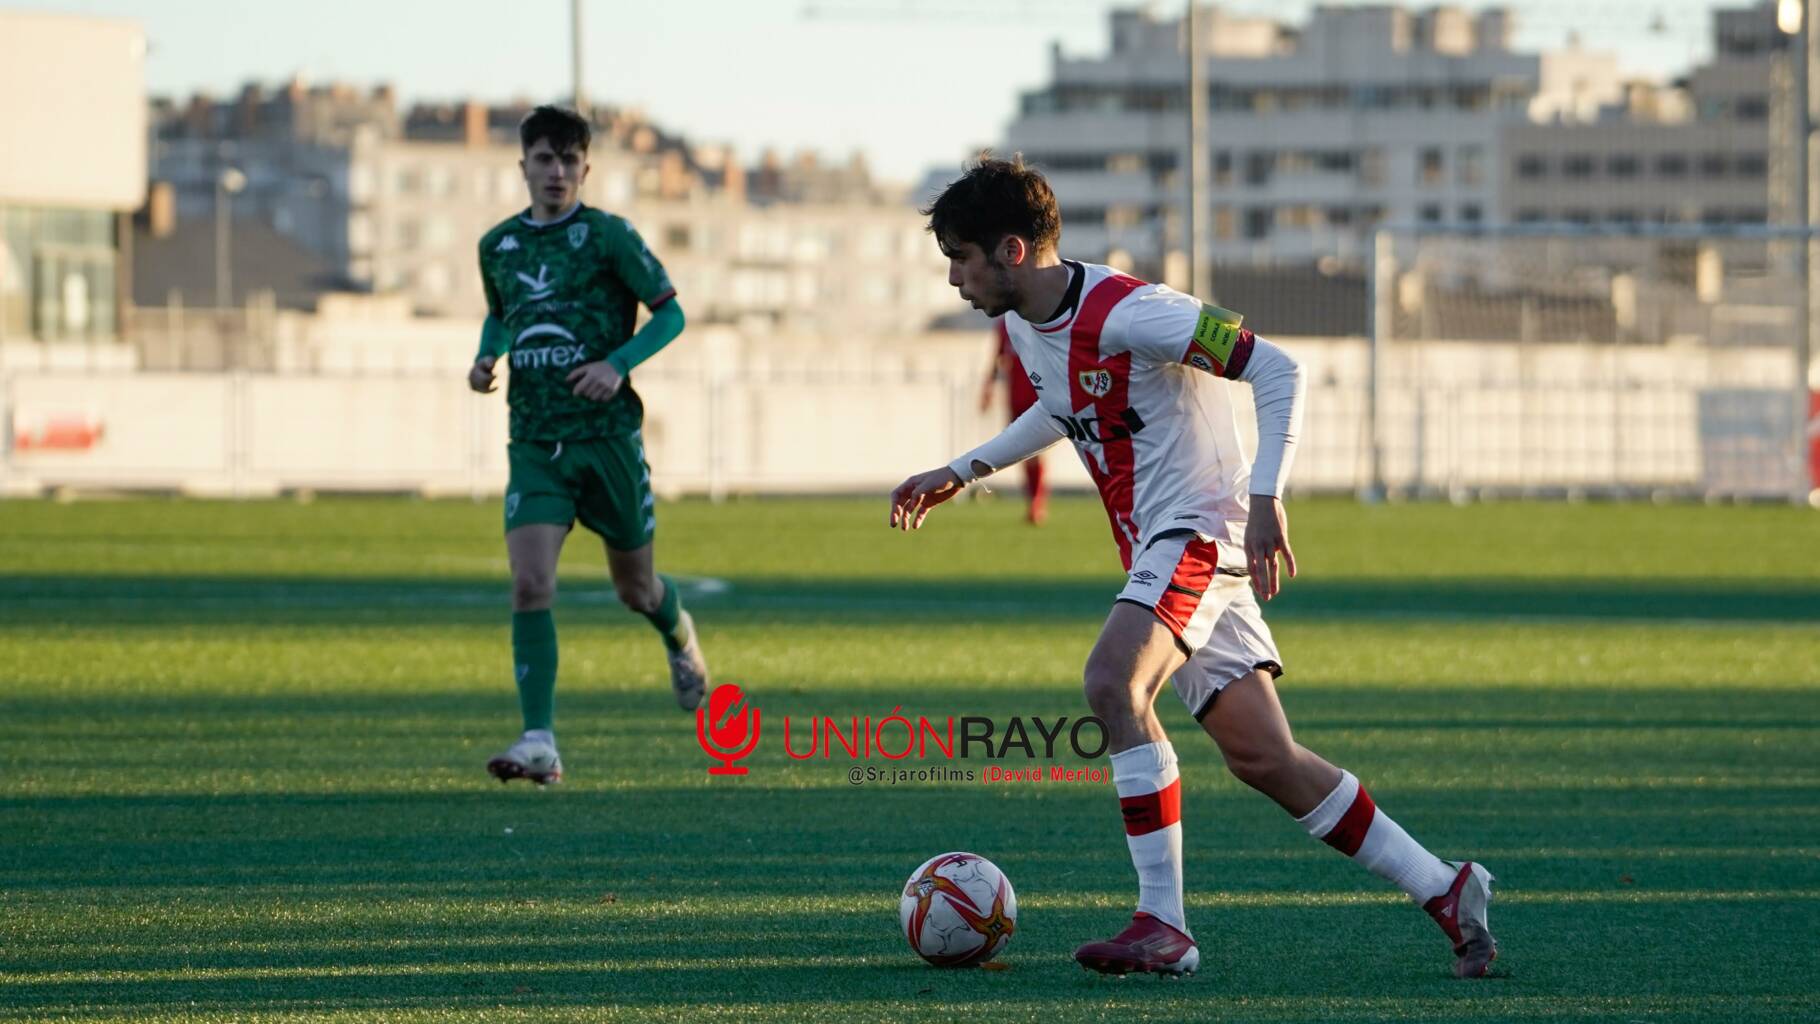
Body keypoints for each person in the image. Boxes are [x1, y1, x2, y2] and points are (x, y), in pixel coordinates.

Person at [889, 157, 1497, 979]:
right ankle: (1445, 889)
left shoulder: (1134, 310)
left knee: (1113, 683)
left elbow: (1277, 367)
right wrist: (963, 470)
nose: (955, 279)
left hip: (1200, 531)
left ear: (1012, 249)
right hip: (1163, 544)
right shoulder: (1027, 324)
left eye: (962, 258)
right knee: (1265, 758)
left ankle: (1161, 923)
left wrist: (1267, 496)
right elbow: (1063, 406)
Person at [468, 105, 709, 786]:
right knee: (529, 582)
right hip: (536, 440)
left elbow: (672, 313)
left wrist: (617, 364)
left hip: (606, 441)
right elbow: (501, 315)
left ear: (586, 169)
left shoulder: (608, 237)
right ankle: (538, 739)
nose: (556, 172)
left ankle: (679, 635)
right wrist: (487, 358)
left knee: (636, 589)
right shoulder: (497, 247)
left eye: (569, 160)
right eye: (544, 159)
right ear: (523, 167)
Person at [978, 317, 1049, 524]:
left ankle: (1037, 502)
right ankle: (1032, 501)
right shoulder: (1005, 325)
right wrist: (987, 389)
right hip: (1015, 397)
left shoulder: (1038, 320)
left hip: (1039, 398)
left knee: (1037, 451)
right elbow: (997, 360)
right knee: (1023, 452)